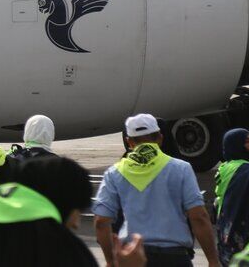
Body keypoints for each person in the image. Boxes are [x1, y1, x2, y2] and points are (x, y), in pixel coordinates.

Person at [93, 113, 219, 267]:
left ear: (129, 142)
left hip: (134, 257)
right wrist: (213, 260)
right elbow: (199, 217)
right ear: (160, 138)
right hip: (175, 258)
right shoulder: (181, 169)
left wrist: (111, 261)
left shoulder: (114, 173)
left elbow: (101, 222)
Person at [219, 129, 249, 263]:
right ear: (235, 146)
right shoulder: (246, 170)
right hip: (243, 236)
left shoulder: (226, 167)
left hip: (225, 234)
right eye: (246, 142)